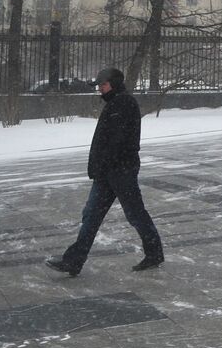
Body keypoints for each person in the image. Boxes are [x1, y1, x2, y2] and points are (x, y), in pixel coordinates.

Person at [45, 67, 164, 276]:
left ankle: (154, 253)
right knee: (91, 215)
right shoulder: (115, 103)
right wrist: (99, 167)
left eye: (104, 85)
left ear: (114, 84)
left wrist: (104, 164)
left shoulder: (124, 103)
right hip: (107, 172)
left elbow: (117, 141)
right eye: (99, 86)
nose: (100, 89)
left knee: (135, 214)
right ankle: (73, 261)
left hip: (121, 171)